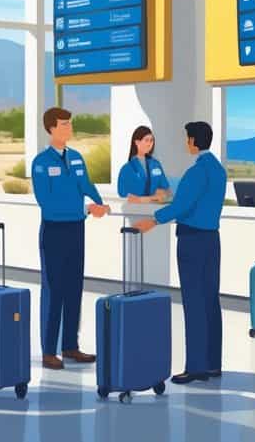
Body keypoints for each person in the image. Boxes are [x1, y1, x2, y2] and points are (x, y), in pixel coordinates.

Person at [134, 122, 227, 384]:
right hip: (212, 239)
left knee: (194, 302)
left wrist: (154, 219)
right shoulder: (218, 170)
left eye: (188, 139)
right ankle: (212, 363)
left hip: (192, 240)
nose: (187, 143)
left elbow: (181, 206)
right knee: (210, 300)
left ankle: (196, 367)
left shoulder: (196, 172)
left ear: (194, 141)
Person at [31, 107, 109, 371]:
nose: (69, 128)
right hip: (54, 232)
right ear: (51, 128)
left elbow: (85, 184)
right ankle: (49, 350)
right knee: (54, 291)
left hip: (76, 230)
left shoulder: (76, 158)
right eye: (64, 124)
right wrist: (86, 209)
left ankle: (70, 346)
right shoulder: (41, 163)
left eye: (70, 124)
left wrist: (99, 203)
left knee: (74, 288)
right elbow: (47, 202)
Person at [117, 125, 172, 203]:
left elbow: (167, 191)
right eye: (146, 140)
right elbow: (124, 195)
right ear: (137, 142)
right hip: (135, 209)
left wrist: (160, 195)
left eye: (151, 140)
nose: (149, 144)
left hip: (154, 207)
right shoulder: (126, 169)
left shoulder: (156, 165)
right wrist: (153, 197)